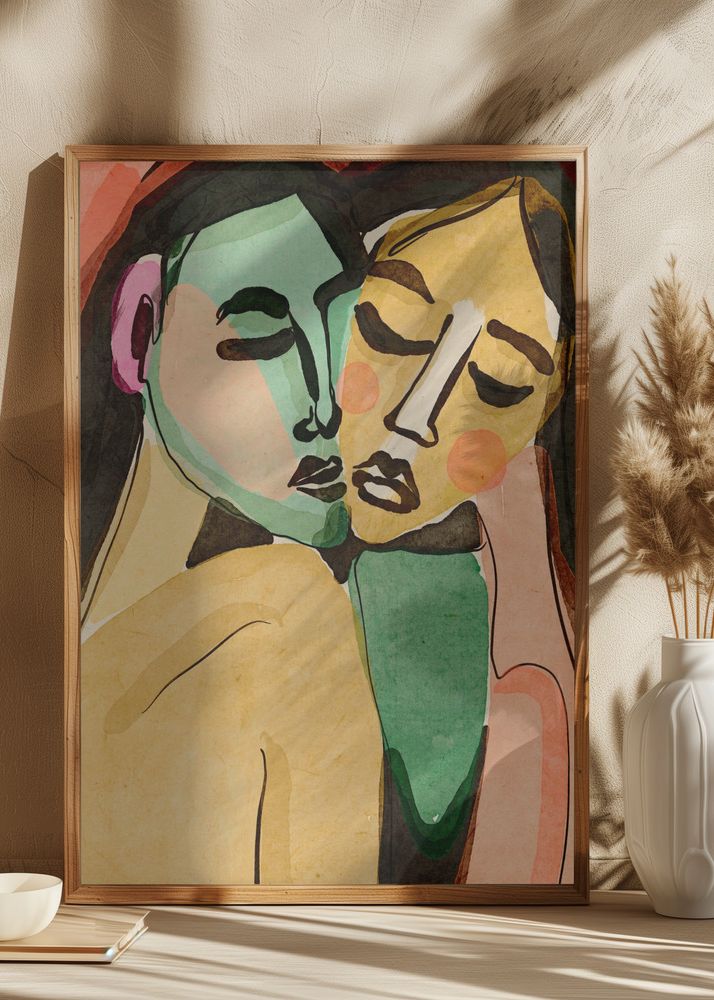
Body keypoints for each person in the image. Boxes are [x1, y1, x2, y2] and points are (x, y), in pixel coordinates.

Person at [79, 162, 384, 885]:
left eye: (346, 327)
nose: (325, 404)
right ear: (137, 334)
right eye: (262, 338)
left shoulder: (285, 611)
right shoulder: (287, 619)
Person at [338, 173, 576, 883]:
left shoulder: (502, 645)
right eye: (389, 331)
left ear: (539, 423)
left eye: (501, 385)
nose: (414, 420)